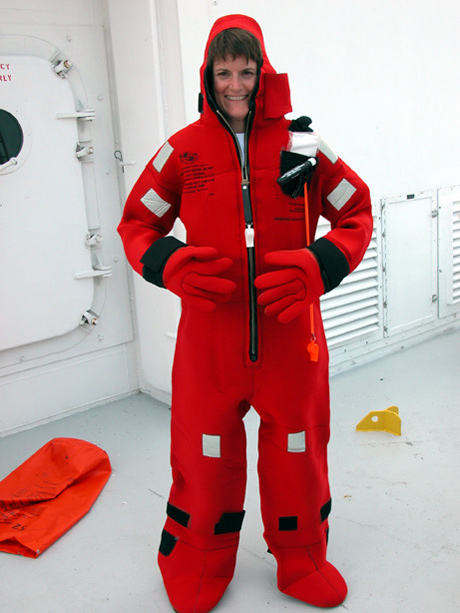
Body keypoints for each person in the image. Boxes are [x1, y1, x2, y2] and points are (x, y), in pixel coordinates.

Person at [118, 14, 372, 613]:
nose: (236, 83)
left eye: (247, 70)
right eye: (224, 71)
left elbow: (356, 211)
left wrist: (319, 265)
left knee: (297, 453)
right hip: (211, 341)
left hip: (292, 337)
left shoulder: (302, 145)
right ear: (208, 75)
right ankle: (198, 560)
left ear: (264, 73)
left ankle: (304, 557)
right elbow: (138, 223)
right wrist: (171, 264)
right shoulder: (181, 150)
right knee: (204, 455)